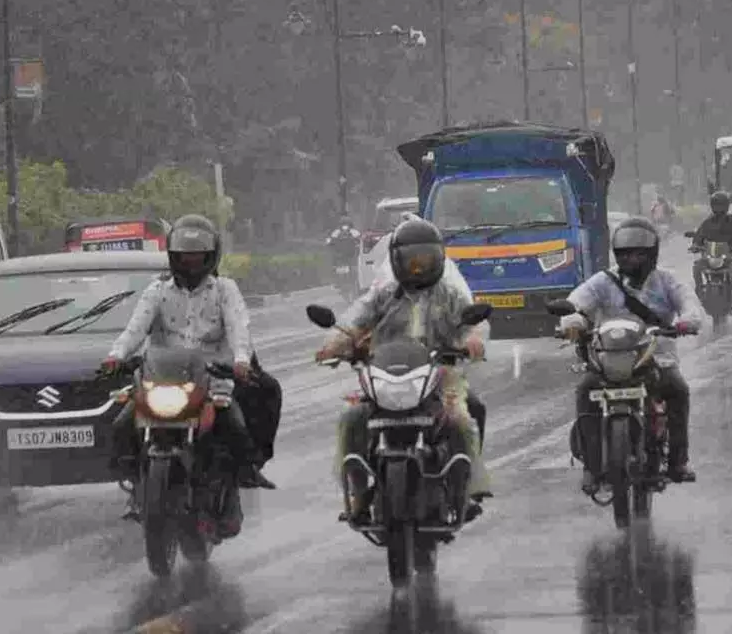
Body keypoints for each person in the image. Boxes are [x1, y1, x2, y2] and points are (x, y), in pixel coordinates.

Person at [101, 214, 275, 536]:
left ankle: (237, 481)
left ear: (211, 255)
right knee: (121, 427)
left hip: (211, 379)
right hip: (162, 379)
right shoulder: (157, 291)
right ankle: (137, 489)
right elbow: (135, 329)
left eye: (197, 255)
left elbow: (239, 328)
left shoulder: (225, 290)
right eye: (184, 255)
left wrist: (240, 360)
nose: (190, 262)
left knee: (236, 427)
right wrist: (116, 355)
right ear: (173, 256)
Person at [314, 218, 491, 524]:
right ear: (396, 260)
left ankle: (466, 487)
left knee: (462, 418)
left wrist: (473, 340)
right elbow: (354, 322)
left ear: (438, 257)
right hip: (384, 376)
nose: (417, 268)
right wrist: (335, 344)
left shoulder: (449, 294)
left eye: (424, 259)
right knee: (351, 418)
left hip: (440, 374)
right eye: (411, 260)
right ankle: (358, 492)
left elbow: (472, 323)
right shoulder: (382, 295)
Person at [557, 217, 703, 492]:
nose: (631, 259)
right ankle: (591, 467)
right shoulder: (603, 281)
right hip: (607, 360)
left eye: (638, 254)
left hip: (656, 358)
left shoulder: (667, 281)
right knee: (585, 391)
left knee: (678, 390)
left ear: (652, 254)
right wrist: (571, 321)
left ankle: (678, 461)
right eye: (625, 254)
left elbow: (690, 305)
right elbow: (576, 303)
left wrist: (687, 322)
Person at [690, 191, 732, 307]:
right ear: (712, 206)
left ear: (727, 206)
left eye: (721, 205)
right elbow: (699, 235)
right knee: (697, 267)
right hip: (710, 255)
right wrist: (695, 245)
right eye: (716, 205)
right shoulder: (707, 222)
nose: (719, 208)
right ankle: (700, 290)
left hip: (730, 254)